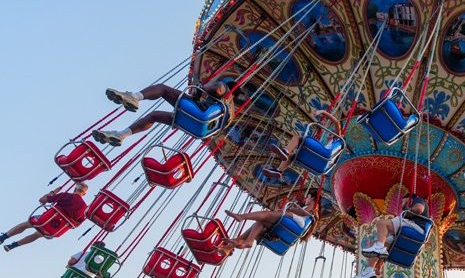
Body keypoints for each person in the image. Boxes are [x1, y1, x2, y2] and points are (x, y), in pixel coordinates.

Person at [93, 81, 234, 146]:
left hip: (199, 112)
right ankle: (121, 135)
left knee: (162, 89)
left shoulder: (225, 89)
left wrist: (200, 88)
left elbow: (218, 89)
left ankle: (135, 97)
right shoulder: (229, 110)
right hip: (199, 128)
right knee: (154, 116)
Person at [351, 193, 430, 278]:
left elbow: (419, 209)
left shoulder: (417, 199)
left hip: (416, 227)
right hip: (411, 229)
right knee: (384, 243)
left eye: (402, 201)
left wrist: (408, 210)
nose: (401, 205)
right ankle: (369, 271)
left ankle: (379, 247)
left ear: (408, 199)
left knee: (381, 223)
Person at [1, 183, 89, 252]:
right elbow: (77, 225)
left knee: (26, 224)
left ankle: (4, 237)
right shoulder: (84, 208)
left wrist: (53, 192)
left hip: (44, 220)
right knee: (37, 235)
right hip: (54, 230)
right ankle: (12, 246)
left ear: (75, 189)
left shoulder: (66, 195)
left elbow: (42, 200)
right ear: (84, 193)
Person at [261, 109, 342, 182]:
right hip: (320, 166)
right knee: (293, 156)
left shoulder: (337, 139)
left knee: (298, 138)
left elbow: (337, 122)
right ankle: (279, 171)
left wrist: (322, 112)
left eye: (331, 134)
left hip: (325, 157)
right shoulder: (329, 146)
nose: (329, 135)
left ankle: (286, 151)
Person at [222, 195, 317, 251]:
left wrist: (292, 208)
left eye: (307, 197)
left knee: (266, 214)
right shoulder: (308, 206)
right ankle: (239, 243)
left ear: (312, 198)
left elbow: (303, 212)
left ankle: (242, 217)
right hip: (296, 220)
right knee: (261, 221)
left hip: (299, 222)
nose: (306, 199)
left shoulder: (313, 204)